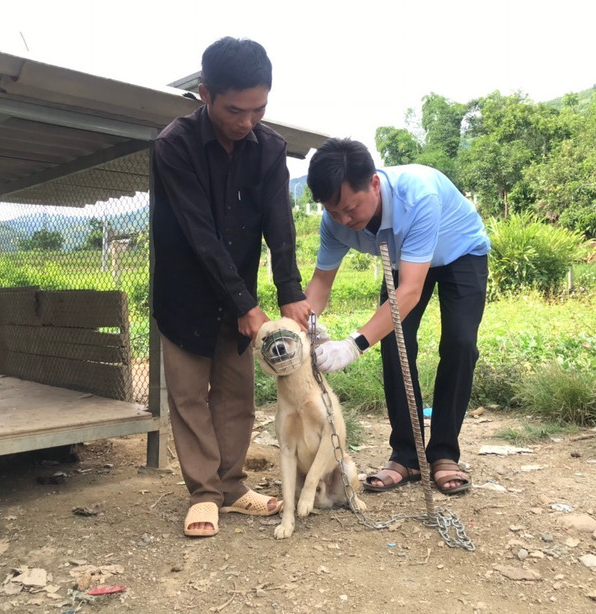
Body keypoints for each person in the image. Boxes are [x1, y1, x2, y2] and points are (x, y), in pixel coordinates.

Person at [151, 37, 311, 537]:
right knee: (189, 395)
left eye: (259, 108)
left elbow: (278, 225)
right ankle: (203, 493)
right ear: (204, 94)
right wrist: (244, 301)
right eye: (235, 110)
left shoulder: (269, 149)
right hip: (185, 294)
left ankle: (233, 487)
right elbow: (199, 233)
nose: (247, 121)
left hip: (238, 293)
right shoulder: (173, 146)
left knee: (237, 393)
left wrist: (290, 292)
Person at [304, 138, 490, 495]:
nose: (344, 219)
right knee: (394, 342)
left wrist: (353, 345)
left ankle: (444, 453)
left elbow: (409, 291)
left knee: (460, 342)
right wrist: (303, 326)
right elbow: (320, 284)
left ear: (374, 183)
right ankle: (406, 455)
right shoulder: (335, 221)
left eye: (351, 208)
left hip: (460, 252)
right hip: (402, 262)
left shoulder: (417, 196)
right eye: (333, 211)